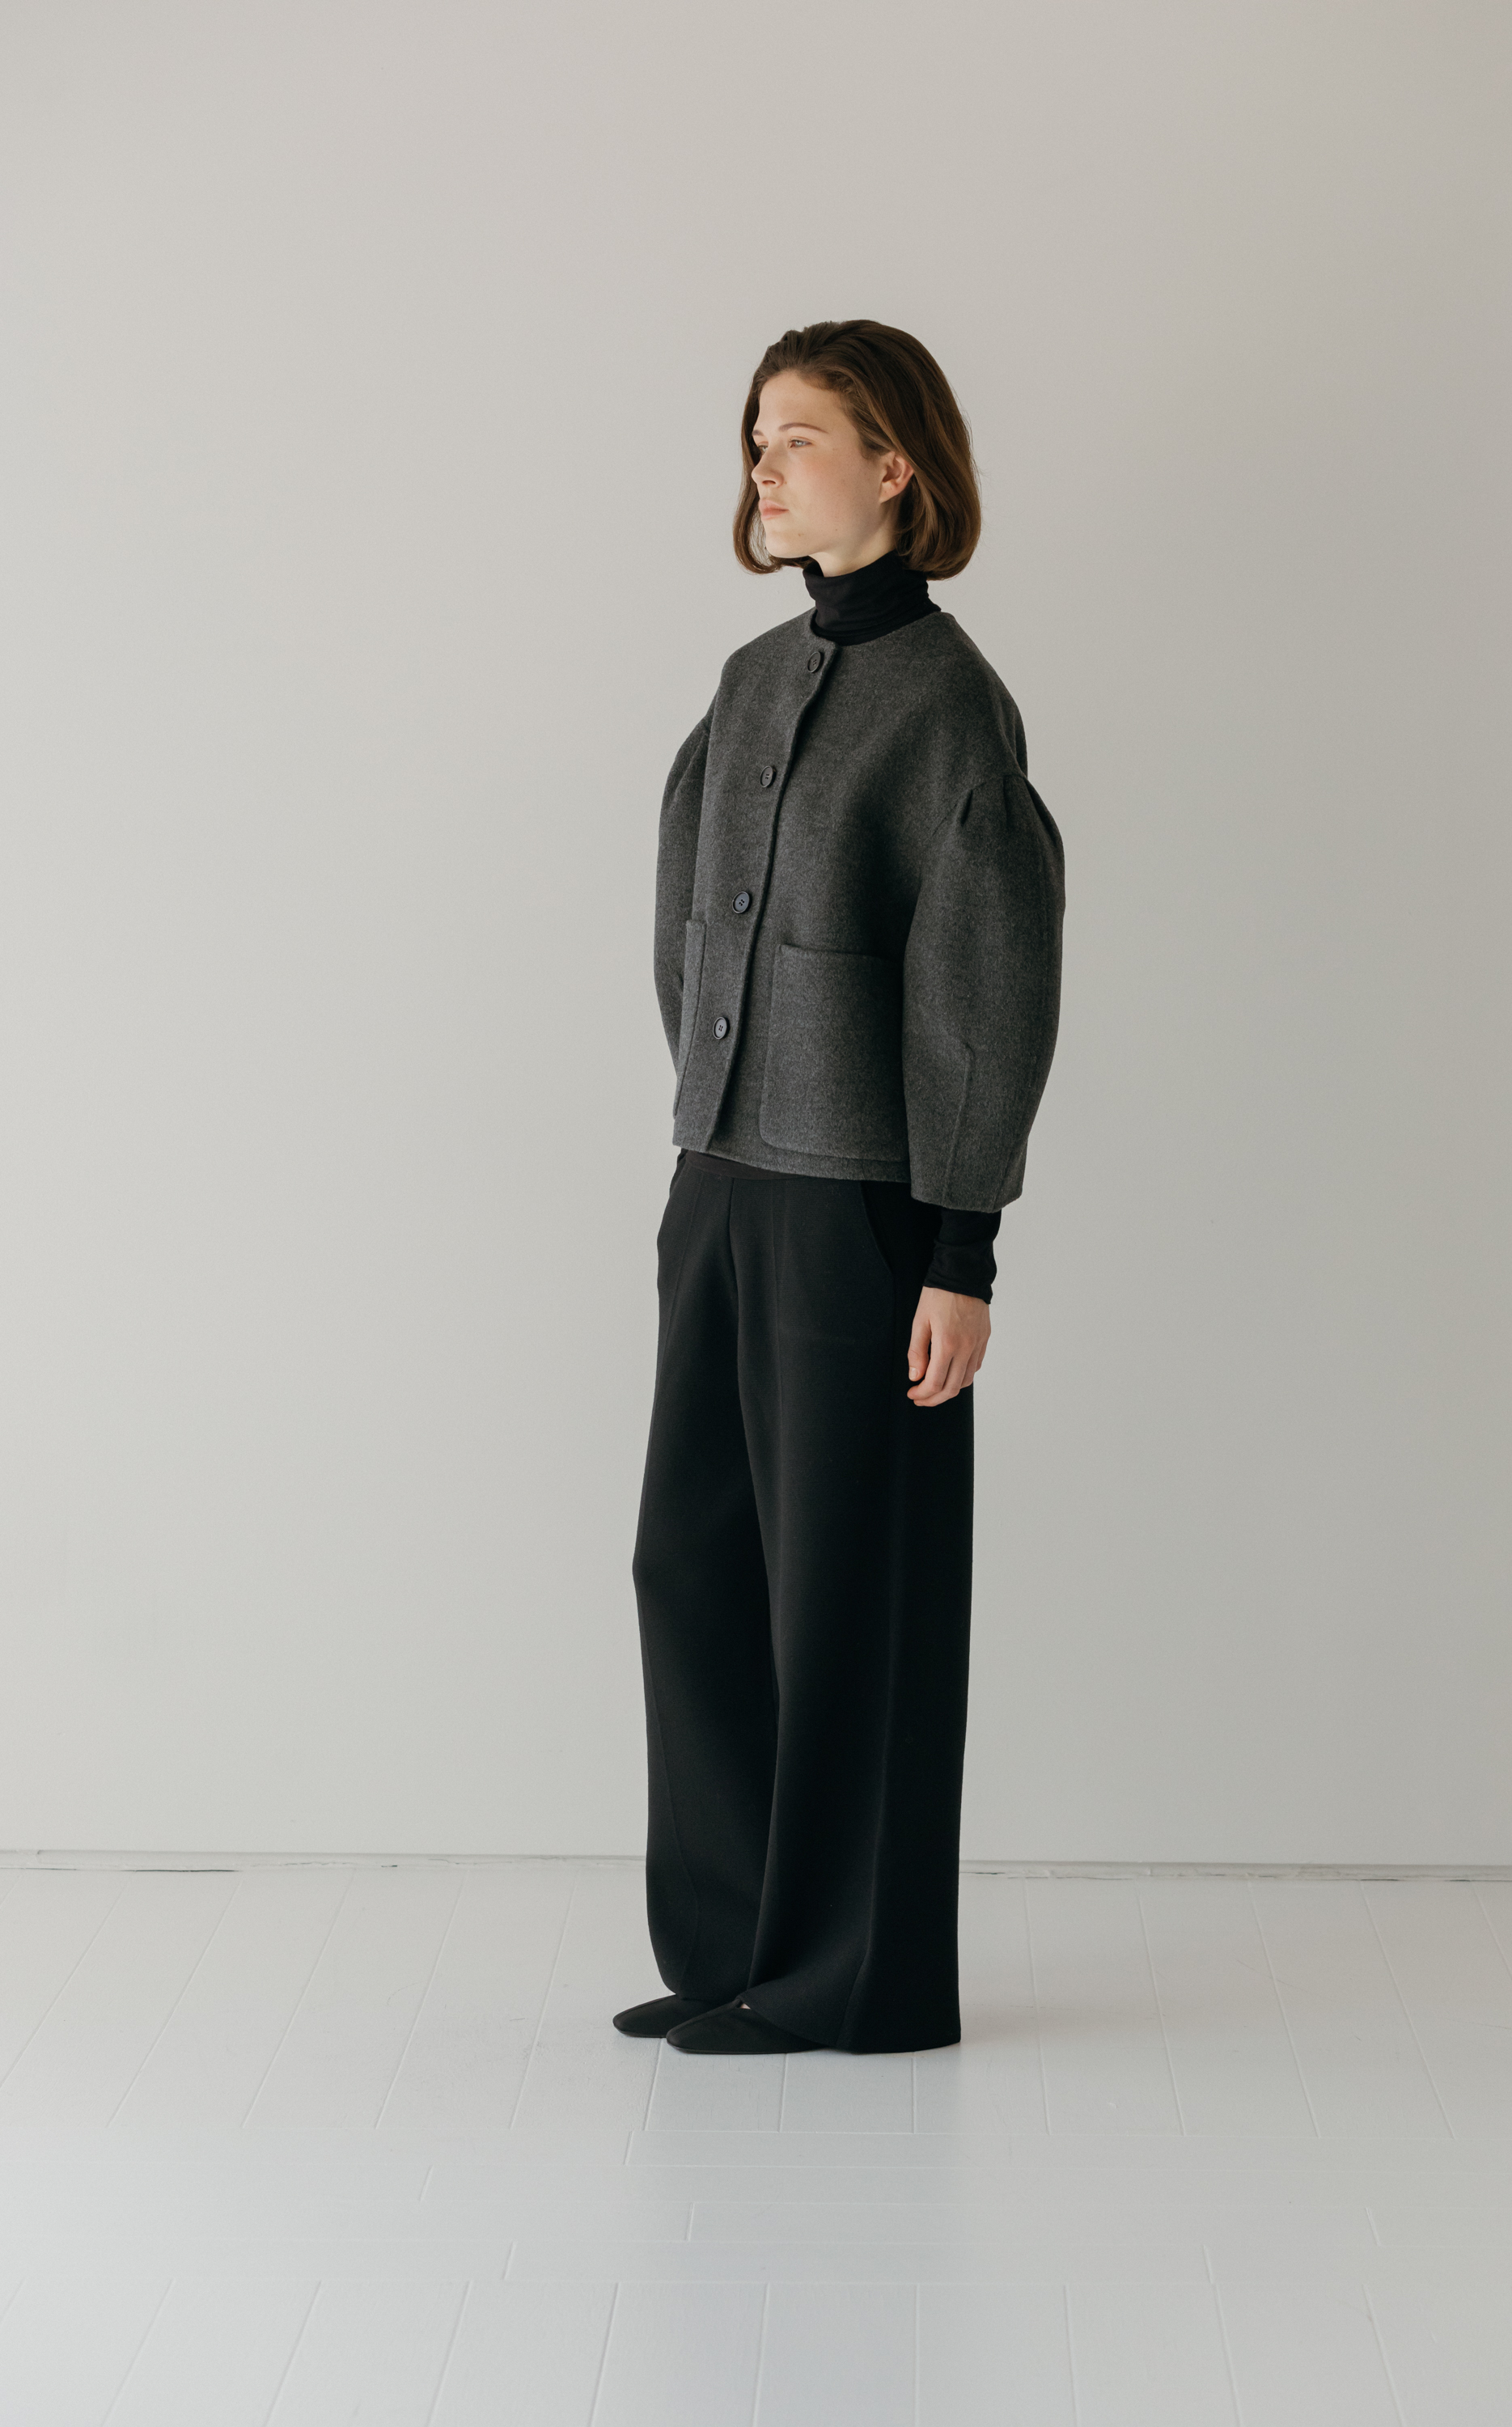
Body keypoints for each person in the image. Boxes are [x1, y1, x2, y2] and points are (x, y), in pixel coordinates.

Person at [616, 320, 1064, 2056]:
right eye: (756, 438)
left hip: (865, 1212)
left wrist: (962, 1249)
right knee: (696, 1566)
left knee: (851, 1595)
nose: (765, 467)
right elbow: (687, 920)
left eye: (797, 437)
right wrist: (716, 1115)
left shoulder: (949, 707)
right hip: (724, 1183)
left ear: (896, 464)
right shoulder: (750, 681)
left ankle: (851, 1981)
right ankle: (736, 1948)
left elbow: (984, 992)